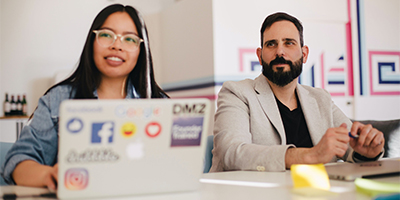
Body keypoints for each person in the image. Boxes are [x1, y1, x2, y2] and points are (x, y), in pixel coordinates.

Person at [0, 4, 168, 189]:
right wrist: (49, 175)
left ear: (141, 51)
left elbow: (183, 162)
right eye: (106, 35)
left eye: (129, 39)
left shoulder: (160, 104)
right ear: (92, 42)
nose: (116, 45)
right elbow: (18, 160)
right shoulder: (57, 100)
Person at [210, 12, 384, 172]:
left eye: (289, 43)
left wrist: (367, 150)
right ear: (260, 55)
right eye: (271, 44)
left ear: (304, 53)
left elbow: (350, 146)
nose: (280, 51)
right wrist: (310, 156)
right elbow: (231, 153)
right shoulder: (236, 93)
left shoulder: (320, 98)